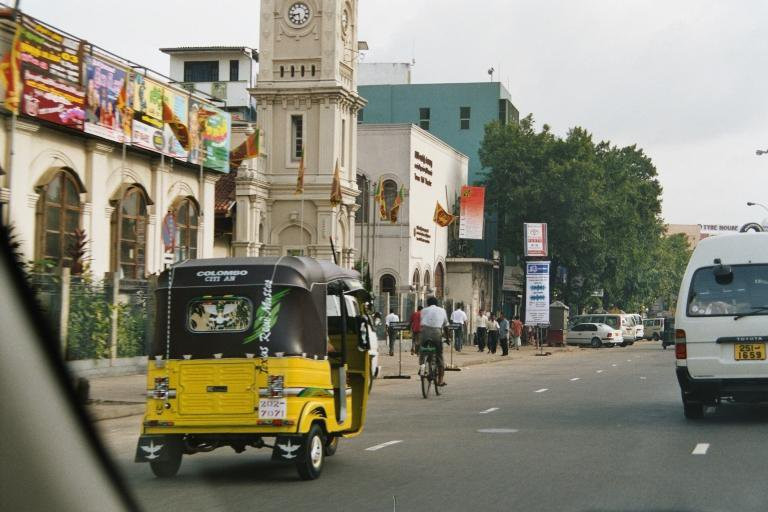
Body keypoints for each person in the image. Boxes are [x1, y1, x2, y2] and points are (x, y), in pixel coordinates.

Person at [419, 296, 449, 386]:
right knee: (439, 355)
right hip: (436, 332)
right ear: (437, 303)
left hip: (424, 332)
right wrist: (447, 338)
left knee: (423, 349)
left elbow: (421, 321)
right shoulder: (442, 310)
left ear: (427, 303)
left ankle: (422, 365)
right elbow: (446, 326)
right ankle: (440, 380)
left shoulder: (423, 310)